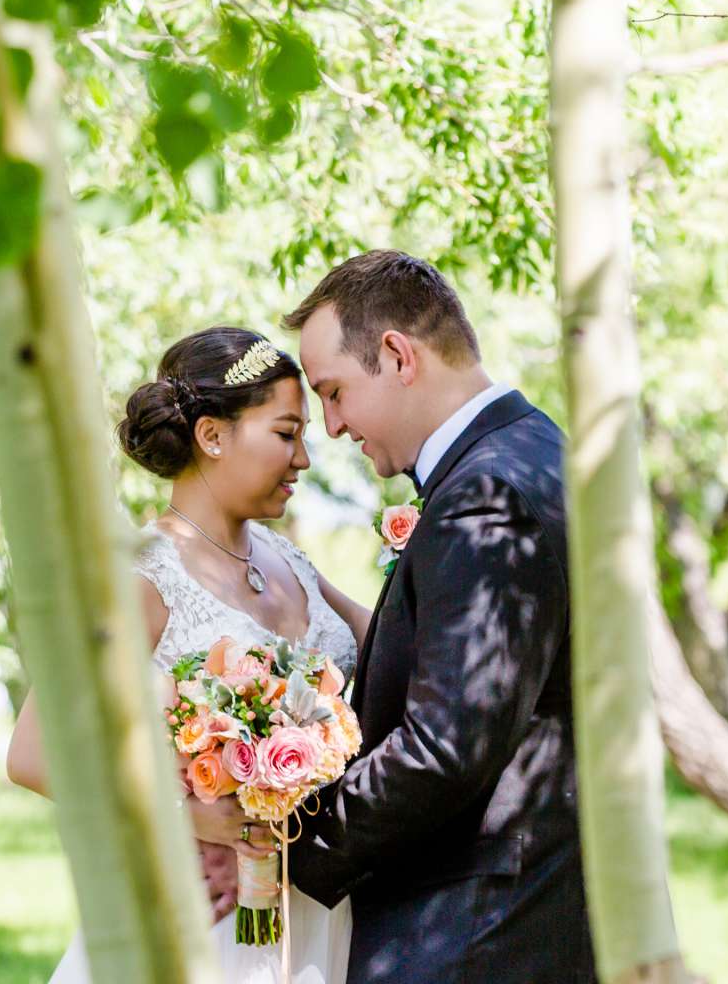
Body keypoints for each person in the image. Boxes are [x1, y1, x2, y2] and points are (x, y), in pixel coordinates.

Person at [9, 326, 371, 984]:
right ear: (212, 435)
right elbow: (33, 755)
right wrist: (190, 816)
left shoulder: (288, 559)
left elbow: (390, 640)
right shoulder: (140, 574)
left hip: (315, 908)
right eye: (287, 434)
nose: (304, 460)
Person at [278, 249, 596, 984]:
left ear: (396, 355)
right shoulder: (541, 453)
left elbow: (444, 747)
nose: (330, 427)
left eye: (334, 392)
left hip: (470, 937)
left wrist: (288, 842)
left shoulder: (486, 494)